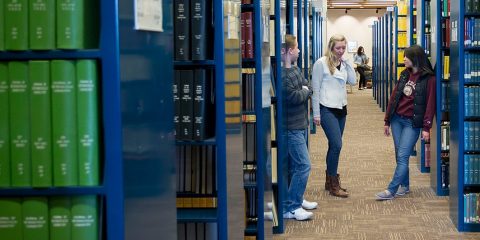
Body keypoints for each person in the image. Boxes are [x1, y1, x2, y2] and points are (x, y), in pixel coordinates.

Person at [376, 45, 436, 200]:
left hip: (412, 123)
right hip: (397, 119)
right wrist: (387, 120)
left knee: (403, 155)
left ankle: (391, 190)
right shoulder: (404, 74)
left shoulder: (429, 79)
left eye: (406, 57)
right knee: (399, 154)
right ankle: (405, 185)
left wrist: (426, 127)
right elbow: (394, 97)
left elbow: (430, 105)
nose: (403, 59)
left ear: (415, 59)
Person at [311, 34, 356, 198]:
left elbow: (353, 82)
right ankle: (333, 183)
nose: (341, 51)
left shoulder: (343, 63)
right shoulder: (320, 63)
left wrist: (348, 63)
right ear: (331, 47)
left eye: (343, 48)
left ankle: (329, 181)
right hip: (326, 108)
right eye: (338, 48)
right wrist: (316, 113)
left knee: (333, 146)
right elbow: (315, 89)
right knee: (337, 144)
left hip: (341, 108)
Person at [281, 34, 317, 221]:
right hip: (291, 128)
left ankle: (296, 199)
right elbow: (293, 97)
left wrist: (304, 91)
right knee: (303, 166)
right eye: (296, 48)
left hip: (301, 124)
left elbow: (308, 87)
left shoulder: (295, 69)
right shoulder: (281, 75)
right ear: (287, 51)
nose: (299, 50)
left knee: (296, 166)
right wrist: (304, 91)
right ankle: (291, 207)